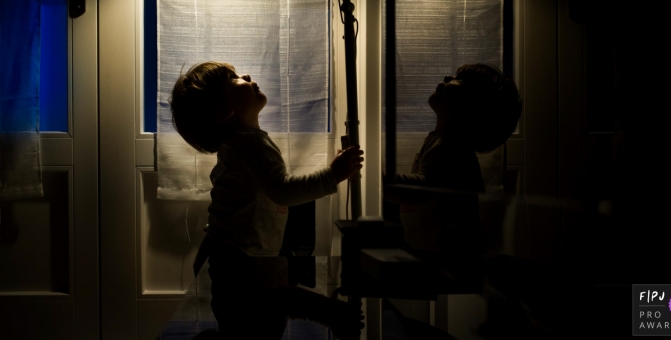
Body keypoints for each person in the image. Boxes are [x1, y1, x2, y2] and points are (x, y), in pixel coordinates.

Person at [169, 61, 365, 339]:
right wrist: (333, 175)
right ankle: (331, 313)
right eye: (233, 78)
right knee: (267, 309)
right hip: (238, 253)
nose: (246, 75)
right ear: (225, 111)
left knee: (251, 319)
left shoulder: (242, 143)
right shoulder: (249, 143)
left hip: (229, 249)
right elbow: (282, 190)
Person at [385, 63, 522, 266]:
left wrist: (377, 179)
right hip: (440, 254)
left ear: (473, 106)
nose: (447, 76)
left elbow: (421, 189)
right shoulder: (442, 140)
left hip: (452, 257)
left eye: (461, 80)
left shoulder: (450, 145)